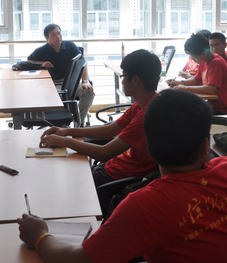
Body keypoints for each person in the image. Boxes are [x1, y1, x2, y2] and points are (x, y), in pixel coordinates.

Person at [18, 89, 227, 263]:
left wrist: (40, 235)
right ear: (205, 146)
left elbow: (77, 260)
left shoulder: (143, 205)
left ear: (150, 148)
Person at [39, 49, 160, 212]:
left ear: (136, 80)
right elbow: (108, 131)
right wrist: (66, 131)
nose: (122, 80)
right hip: (115, 168)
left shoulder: (147, 114)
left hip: (120, 179)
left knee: (67, 187)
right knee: (72, 171)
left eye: (123, 76)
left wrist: (65, 141)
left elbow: (104, 153)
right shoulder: (143, 103)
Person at [27, 23, 94, 126]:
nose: (58, 36)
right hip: (54, 83)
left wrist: (85, 81)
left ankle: (79, 123)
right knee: (56, 100)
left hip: (72, 81)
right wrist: (42, 63)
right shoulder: (43, 50)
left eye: (59, 33)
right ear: (47, 38)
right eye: (53, 35)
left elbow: (83, 63)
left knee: (88, 92)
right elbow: (29, 60)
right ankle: (63, 122)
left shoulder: (70, 45)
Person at [168, 33, 227, 114]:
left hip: (223, 109)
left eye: (194, 57)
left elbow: (211, 89)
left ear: (203, 53)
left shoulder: (216, 63)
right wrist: (180, 83)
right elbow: (197, 79)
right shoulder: (204, 61)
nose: (193, 60)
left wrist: (184, 88)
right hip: (211, 104)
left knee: (184, 113)